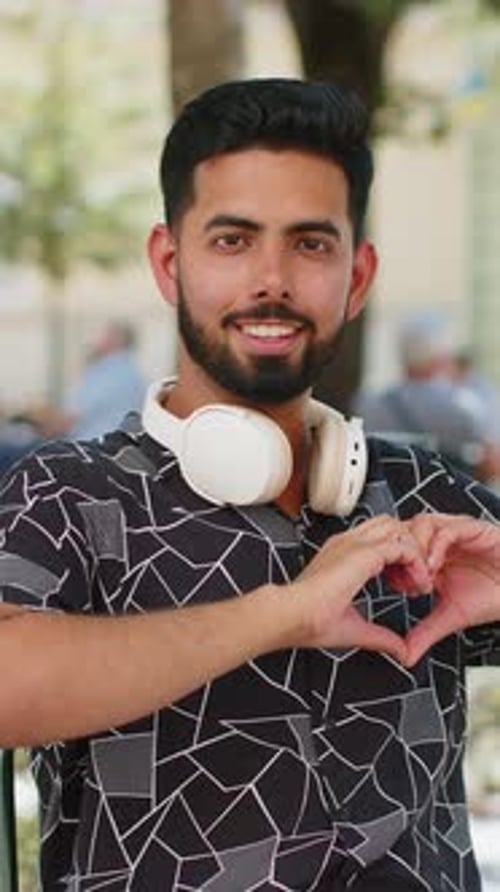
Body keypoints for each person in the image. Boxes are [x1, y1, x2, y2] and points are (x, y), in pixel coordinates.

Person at [0, 79, 499, 892]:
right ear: (169, 262)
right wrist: (282, 615)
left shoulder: (422, 491)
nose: (272, 279)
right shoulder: (71, 493)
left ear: (358, 274)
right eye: (233, 241)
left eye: (310, 244)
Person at [355, 311, 500, 481]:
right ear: (443, 355)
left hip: (385, 497)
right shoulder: (461, 405)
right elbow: (494, 463)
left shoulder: (368, 403)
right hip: (447, 502)